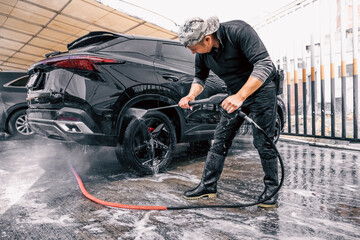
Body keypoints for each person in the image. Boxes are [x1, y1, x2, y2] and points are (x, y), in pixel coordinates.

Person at [177, 16, 279, 208]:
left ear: (207, 38)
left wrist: (240, 97)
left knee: (263, 141)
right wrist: (191, 96)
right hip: (234, 94)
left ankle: (271, 191)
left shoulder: (239, 31)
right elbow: (200, 78)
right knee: (220, 139)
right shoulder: (203, 53)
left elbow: (265, 64)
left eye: (193, 47)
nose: (192, 52)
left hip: (261, 90)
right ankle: (208, 187)